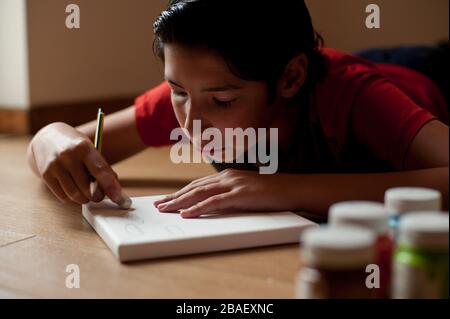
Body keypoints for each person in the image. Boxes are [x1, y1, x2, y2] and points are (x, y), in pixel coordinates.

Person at [27, 0, 449, 219]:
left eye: (223, 101)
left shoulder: (357, 97)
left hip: (422, 76)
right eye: (177, 91)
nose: (191, 122)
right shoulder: (200, 90)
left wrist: (285, 189)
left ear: (289, 79)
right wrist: (51, 137)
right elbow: (70, 139)